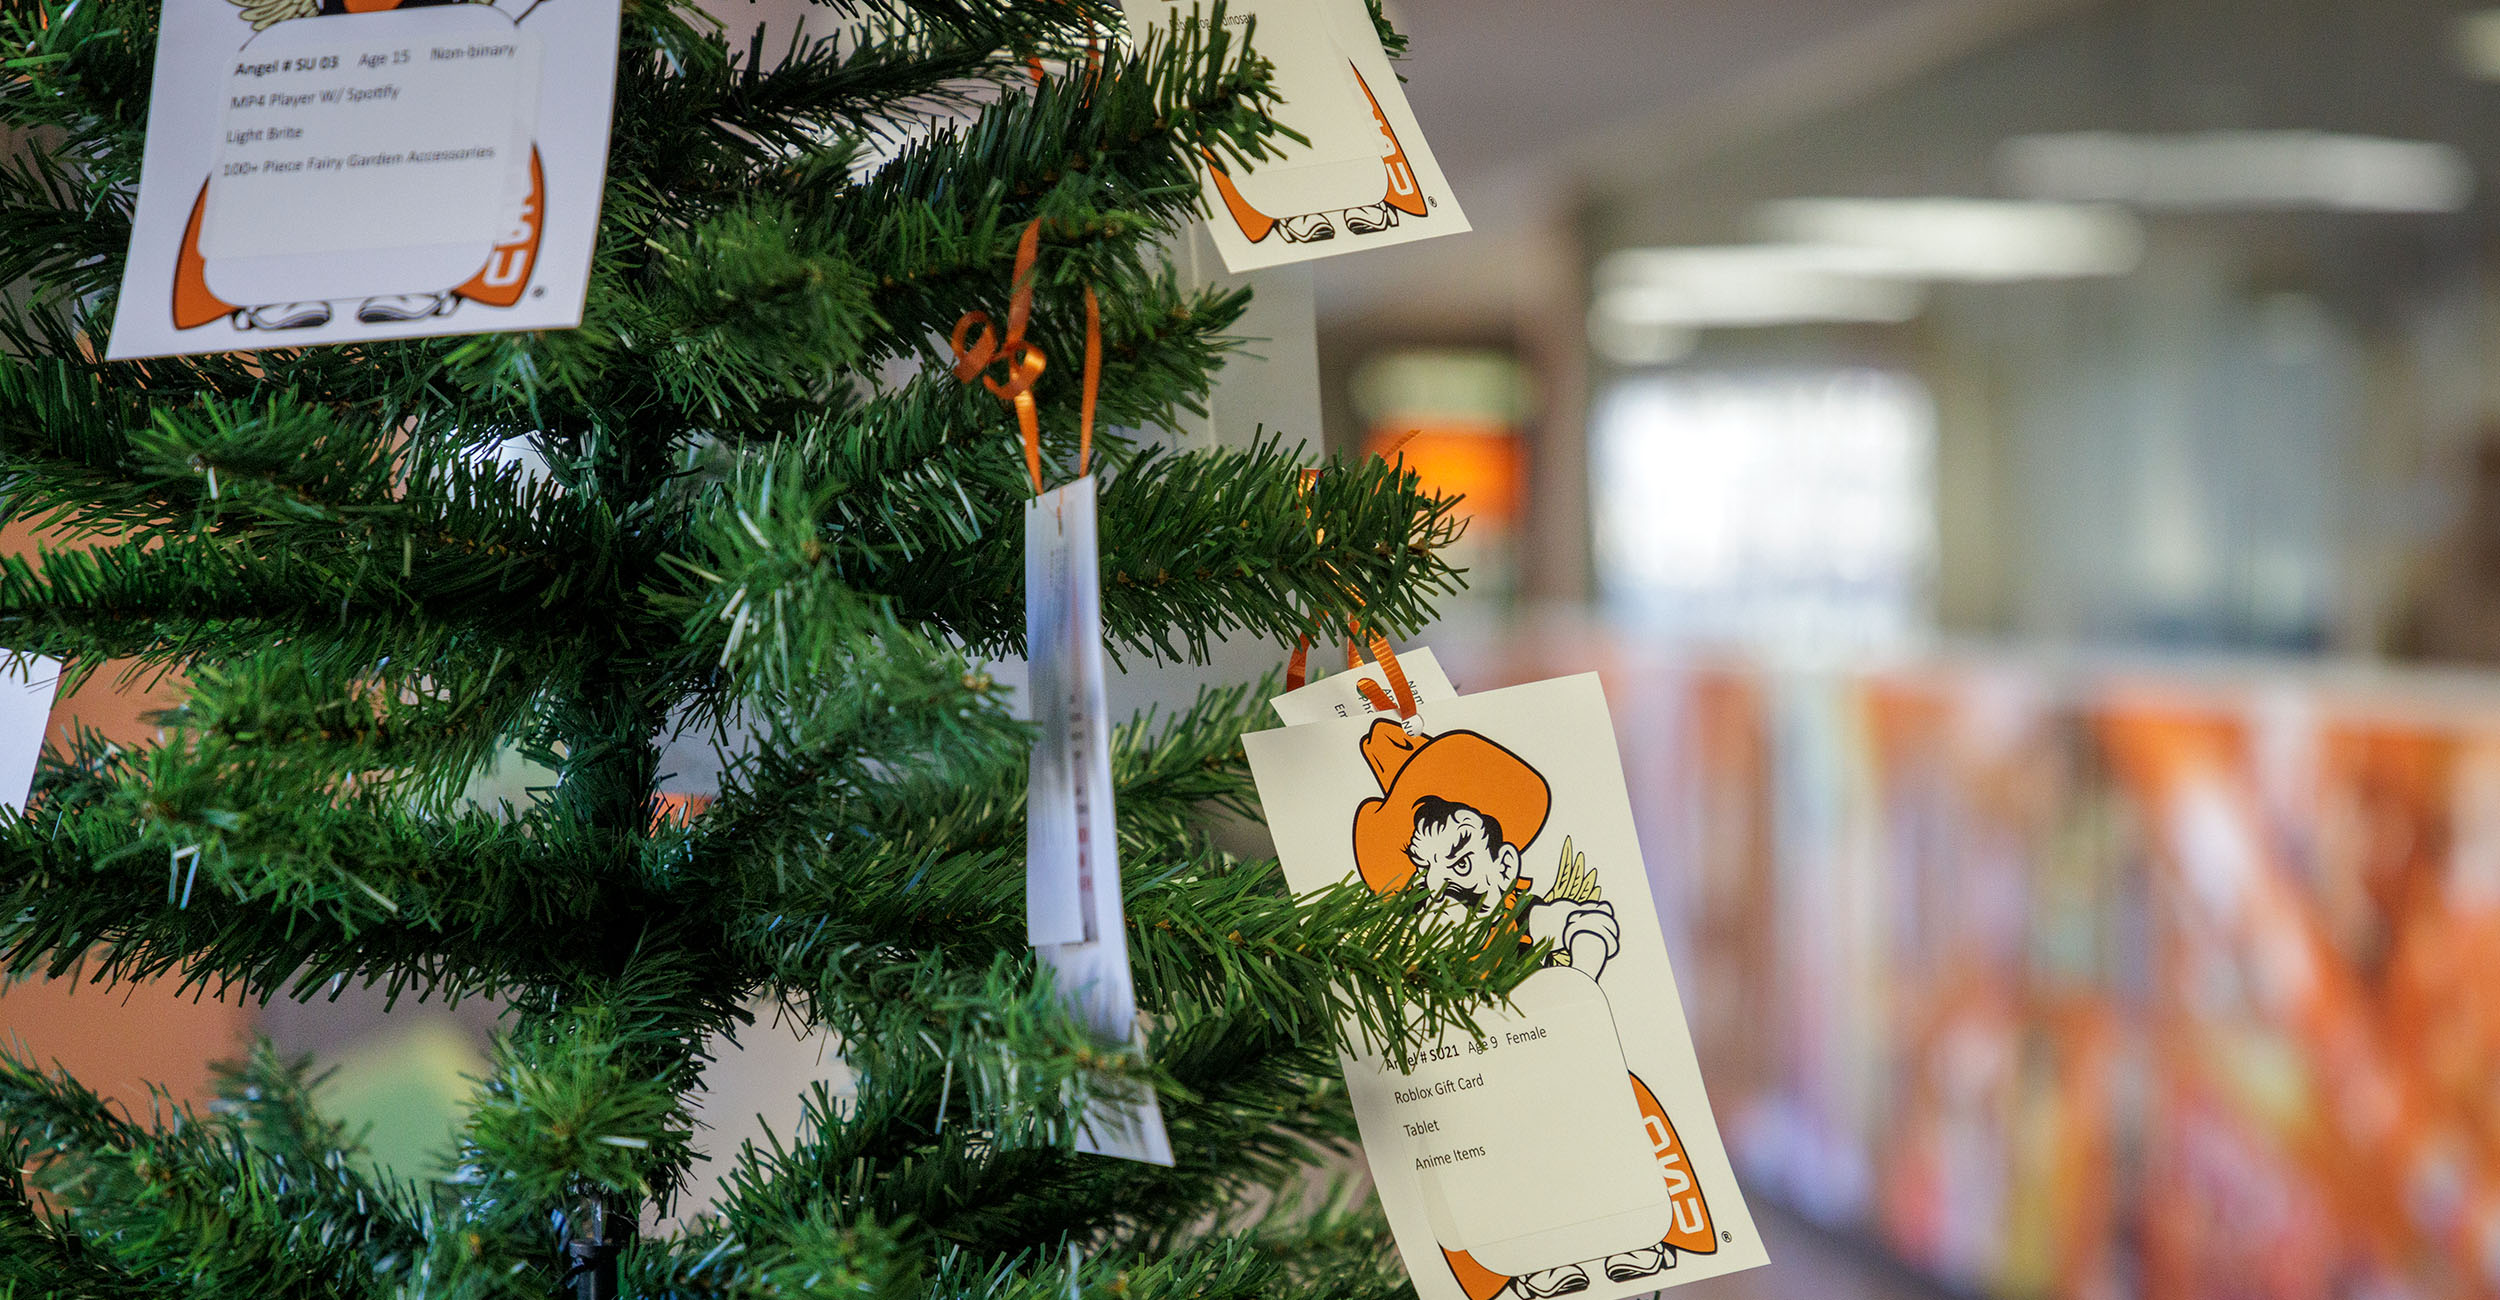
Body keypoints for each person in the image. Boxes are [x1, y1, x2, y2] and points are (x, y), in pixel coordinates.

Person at [1349, 719, 1714, 1299]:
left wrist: (1576, 983)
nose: (1446, 887)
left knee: (1598, 1142)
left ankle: (1635, 1238)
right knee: (1509, 1176)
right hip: (1487, 1092)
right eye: (1428, 875)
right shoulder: (1429, 953)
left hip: (1566, 1069)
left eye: (1461, 862)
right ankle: (1539, 1265)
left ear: (1505, 863)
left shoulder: (1524, 917)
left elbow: (1587, 923)